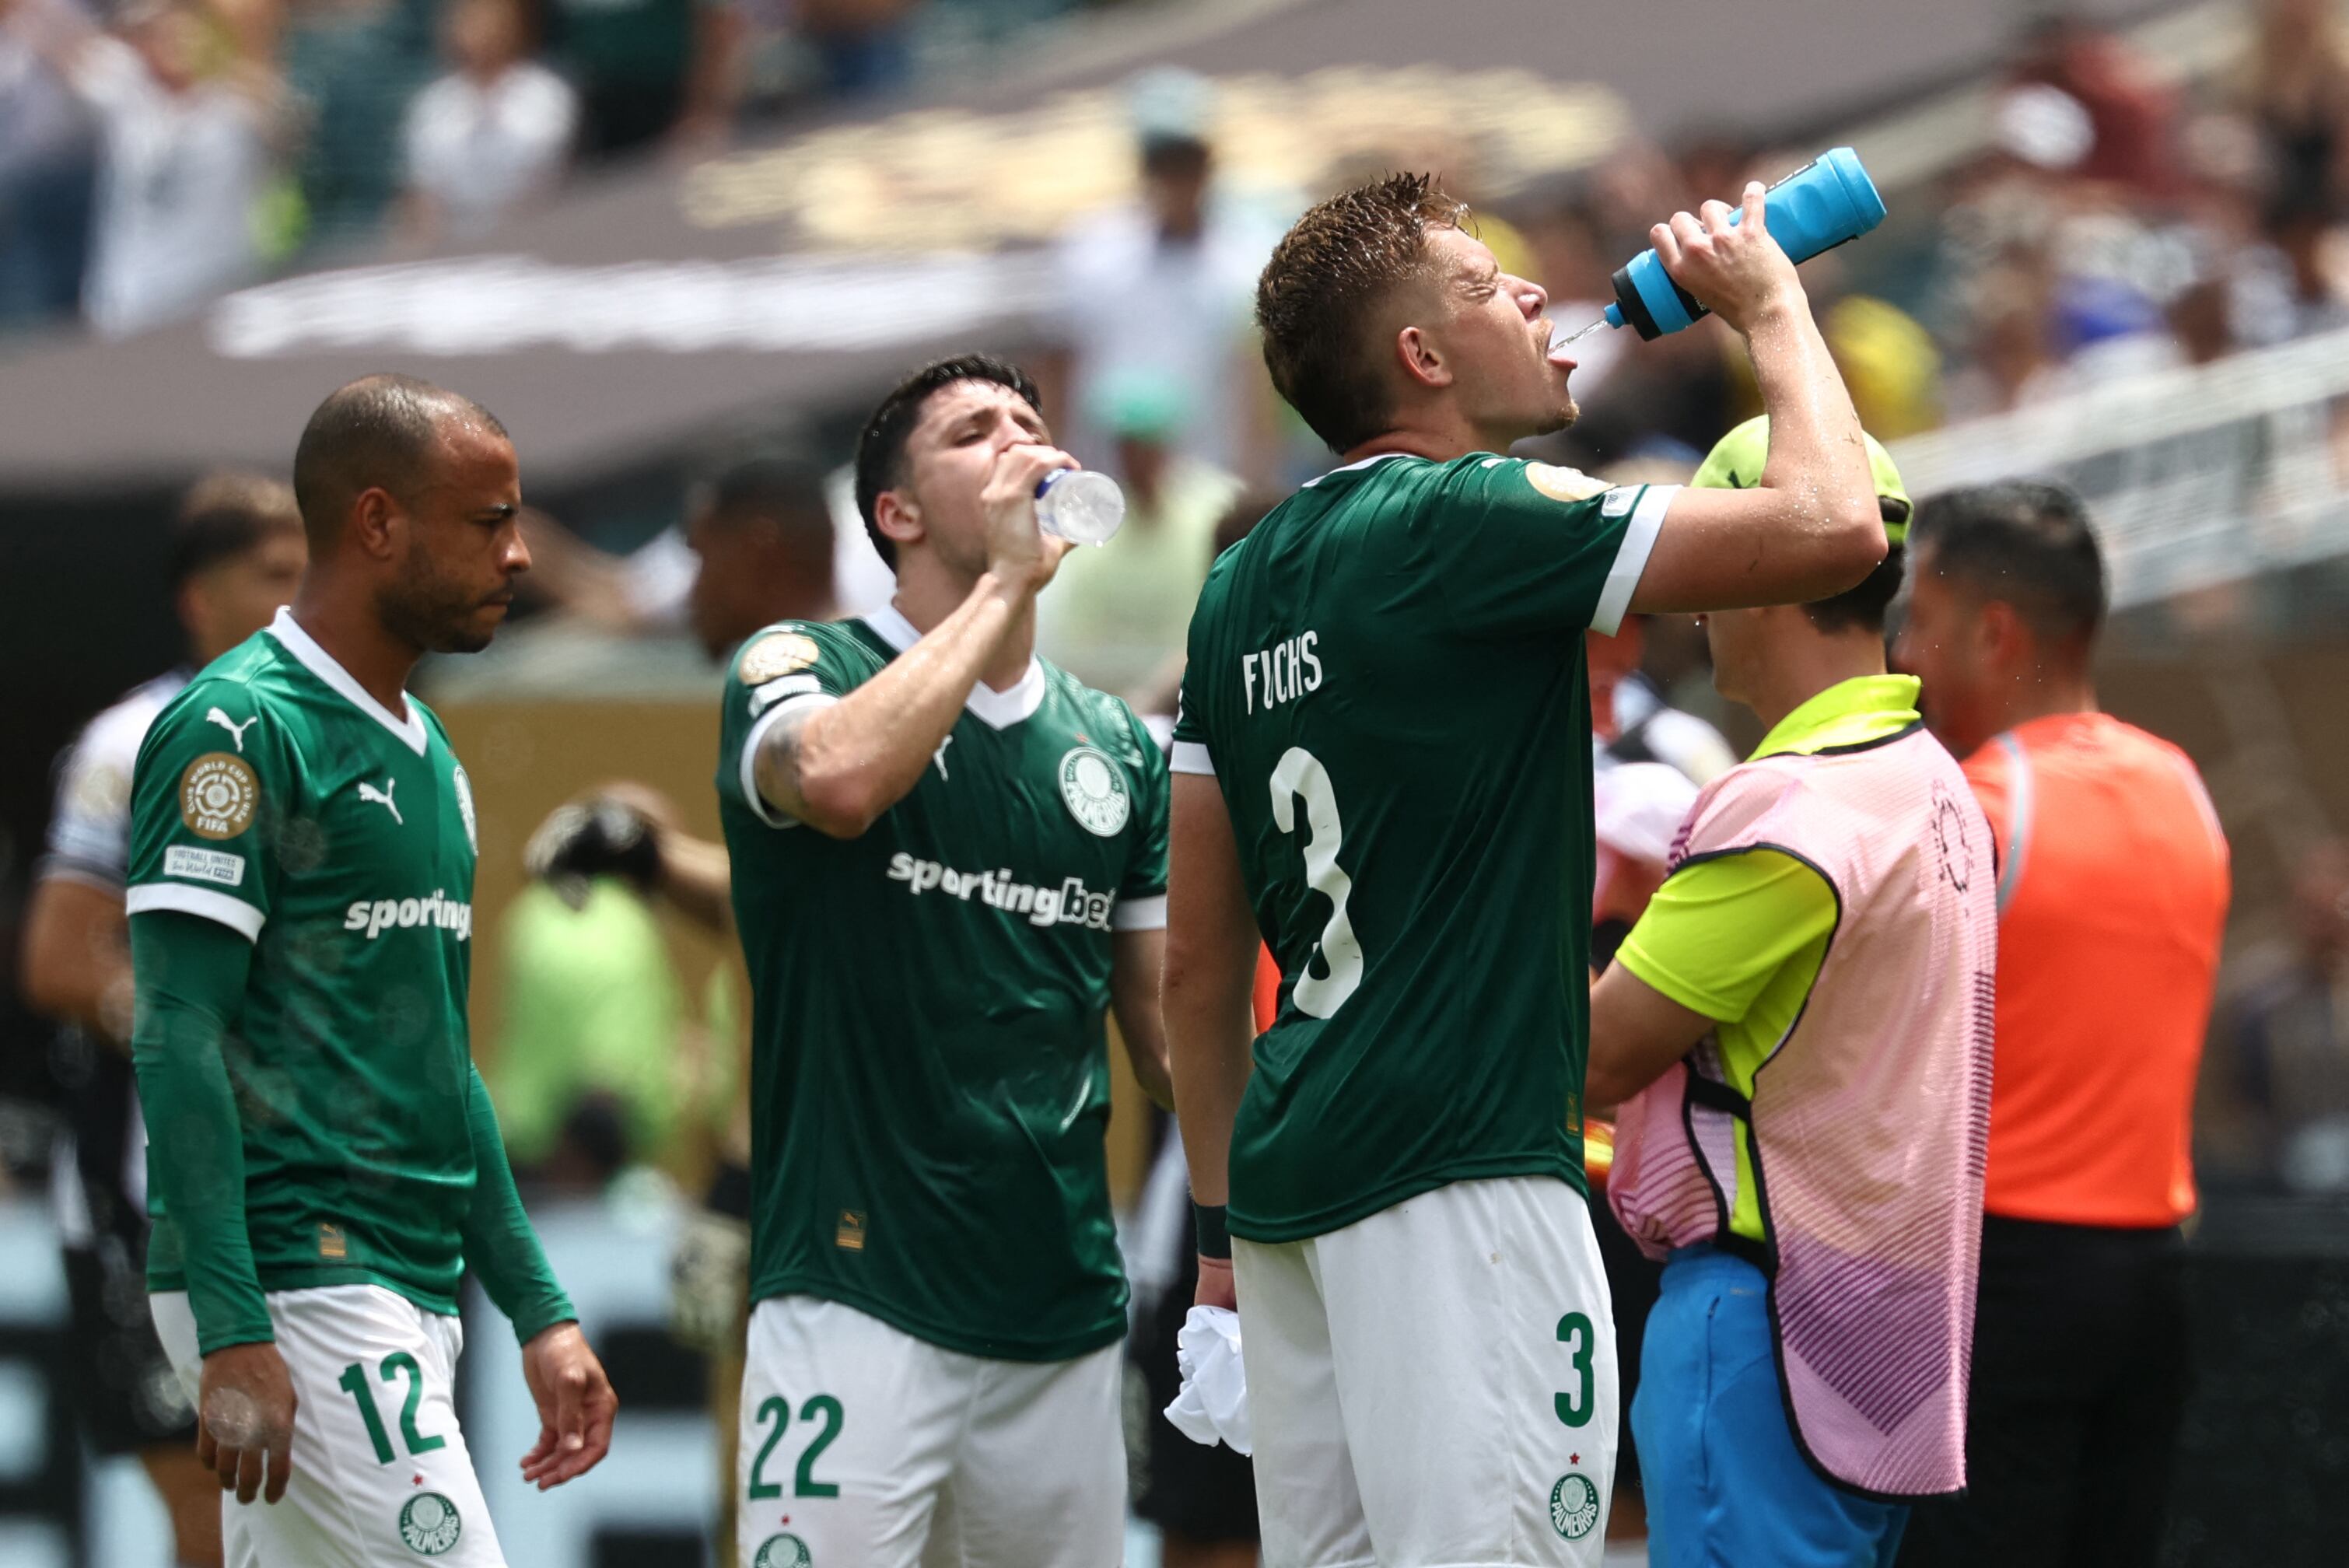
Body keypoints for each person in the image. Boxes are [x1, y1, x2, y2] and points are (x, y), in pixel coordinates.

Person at [1161, 172, 1885, 1567]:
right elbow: (1838, 531)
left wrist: (1216, 1240)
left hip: (1293, 1186)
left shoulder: (1235, 585)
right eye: (1491, 285)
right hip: (1467, 1171)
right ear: (1422, 360)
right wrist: (1773, 304)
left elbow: (1198, 967)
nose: (1536, 294)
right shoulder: (1466, 514)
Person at [123, 374, 617, 1565]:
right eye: (487, 522)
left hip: (400, 1276)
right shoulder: (238, 729)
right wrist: (236, 1327)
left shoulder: (428, 752)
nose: (516, 557)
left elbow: (443, 1063)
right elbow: (175, 1029)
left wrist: (539, 1310)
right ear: (379, 523)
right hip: (299, 1273)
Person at [715, 352, 1175, 1568]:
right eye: (976, 433)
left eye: (1033, 423)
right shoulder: (800, 667)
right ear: (897, 514)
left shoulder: (1116, 748)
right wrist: (1008, 587)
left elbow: (1171, 1048)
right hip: (857, 1295)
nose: (1024, 444)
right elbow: (839, 781)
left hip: (1061, 1315)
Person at [1586, 418, 1997, 1566]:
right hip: (1883, 1343)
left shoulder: (1791, 806)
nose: (1689, 605)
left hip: (1762, 1328)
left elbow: (1593, 1056)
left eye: (1709, 565)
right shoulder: (1935, 782)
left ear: (1759, 568)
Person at [1893, 482, 2231, 1568]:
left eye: (1924, 627)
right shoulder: (2186, 789)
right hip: (2153, 1280)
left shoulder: (1969, 808)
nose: (1907, 657)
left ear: (1994, 634)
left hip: (2004, 1282)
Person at [19, 473, 304, 1568]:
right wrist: (199, 1034)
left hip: (295, 1179)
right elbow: (56, 957)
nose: (297, 598)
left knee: (294, 1502)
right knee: (208, 1497)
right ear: (199, 597)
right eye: (272, 575)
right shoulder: (134, 739)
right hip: (150, 1187)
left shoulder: (342, 731)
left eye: (307, 574)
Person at [400, 0, 578, 243]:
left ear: (514, 26)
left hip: (534, 235)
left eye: (491, 20)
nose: (480, 31)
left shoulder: (545, 94)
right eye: (470, 20)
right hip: (453, 246)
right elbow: (424, 197)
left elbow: (542, 180)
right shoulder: (434, 102)